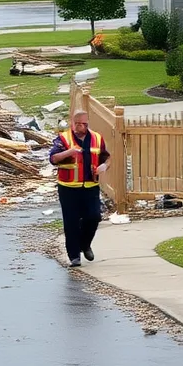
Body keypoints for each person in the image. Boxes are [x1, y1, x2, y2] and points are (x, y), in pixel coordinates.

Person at [49, 110, 110, 267]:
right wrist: (69, 152)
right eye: (77, 124)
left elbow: (106, 157)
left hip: (90, 186)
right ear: (73, 123)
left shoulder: (97, 138)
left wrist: (104, 166)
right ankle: (74, 256)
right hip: (68, 187)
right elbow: (53, 158)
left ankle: (85, 244)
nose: (81, 127)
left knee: (94, 216)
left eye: (84, 124)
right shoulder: (63, 139)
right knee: (71, 222)